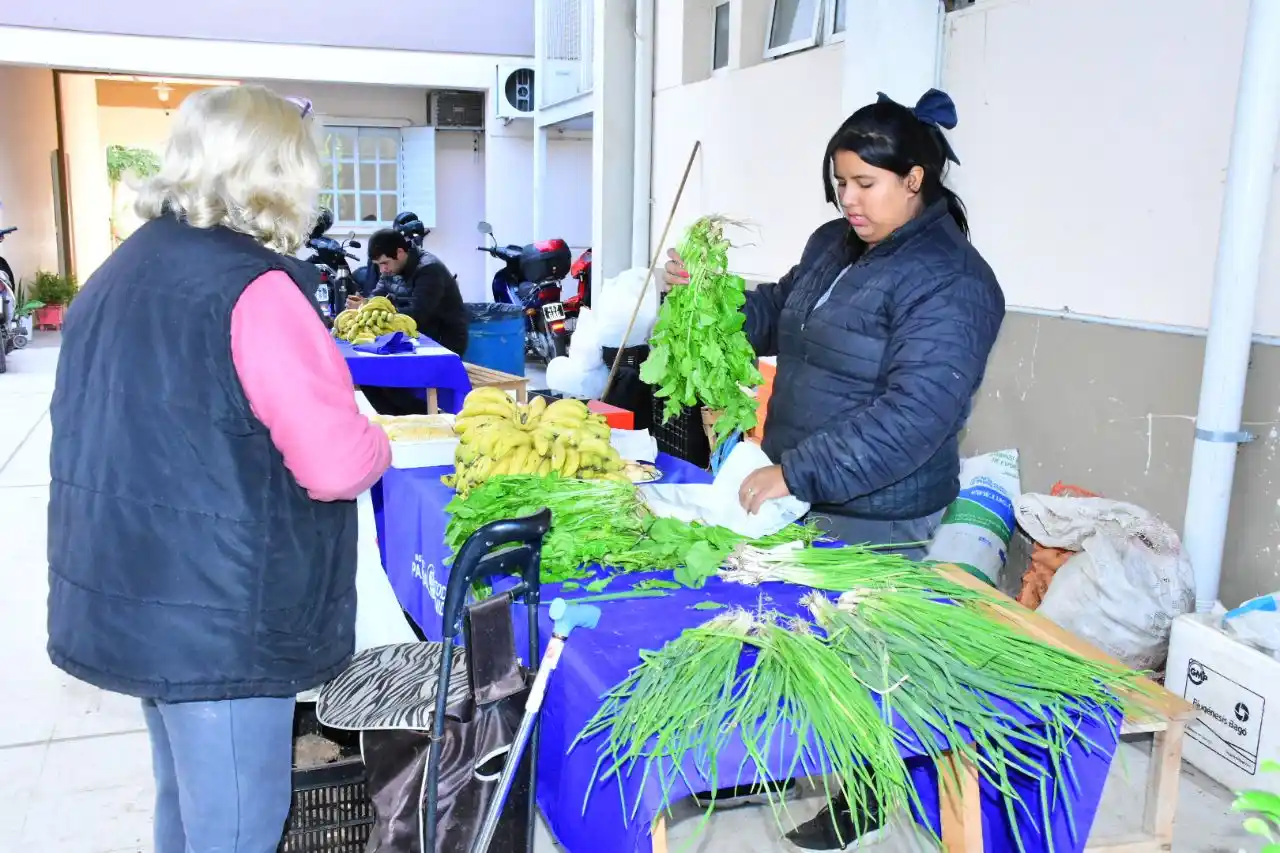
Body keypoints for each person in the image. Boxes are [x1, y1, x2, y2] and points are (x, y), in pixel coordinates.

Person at [46, 85, 392, 853]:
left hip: (144, 593)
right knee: (236, 824)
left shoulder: (117, 273)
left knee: (189, 806)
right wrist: (378, 440)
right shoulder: (255, 290)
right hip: (221, 616)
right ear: (275, 173)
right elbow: (334, 463)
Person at [662, 89, 1005, 850]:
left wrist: (797, 471)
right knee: (809, 638)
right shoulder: (834, 244)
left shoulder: (952, 281)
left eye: (866, 184)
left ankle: (868, 800)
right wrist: (709, 298)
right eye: (840, 182)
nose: (849, 199)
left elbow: (918, 414)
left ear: (915, 179)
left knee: (866, 657)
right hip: (810, 490)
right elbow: (782, 312)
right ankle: (810, 760)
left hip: (881, 506)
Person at [346, 228, 469, 415]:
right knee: (367, 377)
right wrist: (365, 305)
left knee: (387, 379)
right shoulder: (390, 269)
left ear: (400, 252)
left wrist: (368, 310)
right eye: (378, 265)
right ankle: (399, 420)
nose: (383, 269)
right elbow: (377, 298)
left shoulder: (429, 269)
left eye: (385, 263)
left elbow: (417, 315)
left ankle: (426, 418)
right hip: (410, 339)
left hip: (442, 340)